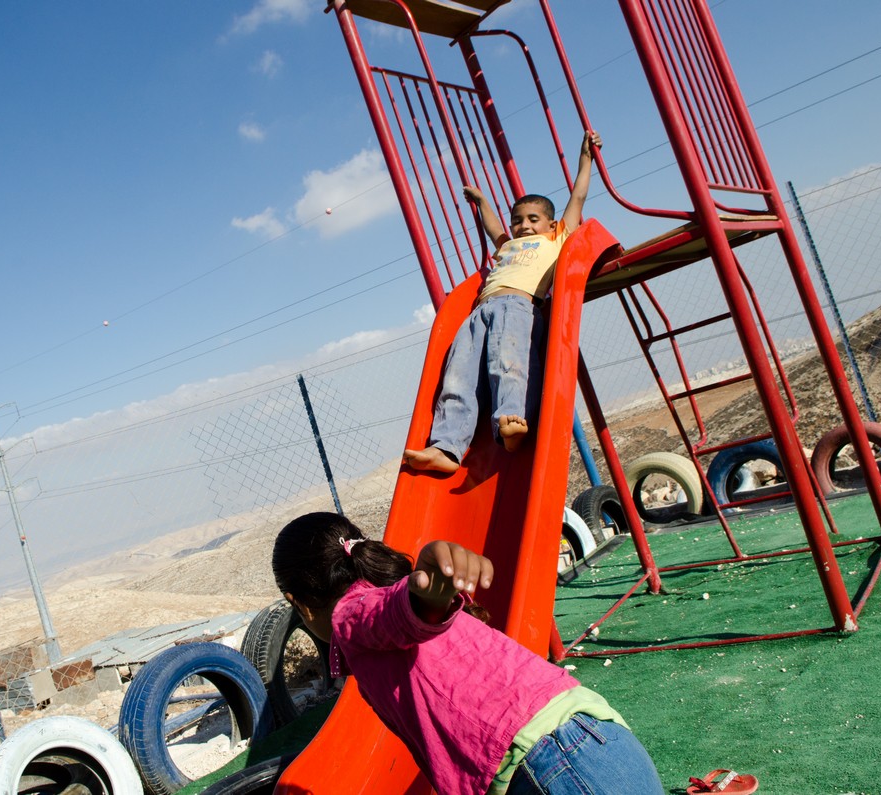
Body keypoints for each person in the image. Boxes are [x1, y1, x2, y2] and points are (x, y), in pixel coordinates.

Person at [272, 512, 664, 795]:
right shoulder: (371, 618)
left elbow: (399, 612)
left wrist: (427, 594)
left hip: (552, 765)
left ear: (299, 604)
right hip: (597, 738)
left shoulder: (350, 614)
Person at [404, 131, 603, 473]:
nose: (523, 226)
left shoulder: (555, 240)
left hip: (518, 306)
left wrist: (585, 158)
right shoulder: (507, 248)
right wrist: (482, 202)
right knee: (458, 374)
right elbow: (494, 228)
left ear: (552, 224)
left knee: (509, 362)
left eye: (532, 219)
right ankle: (447, 447)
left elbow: (578, 197)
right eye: (518, 221)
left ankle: (511, 420)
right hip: (480, 311)